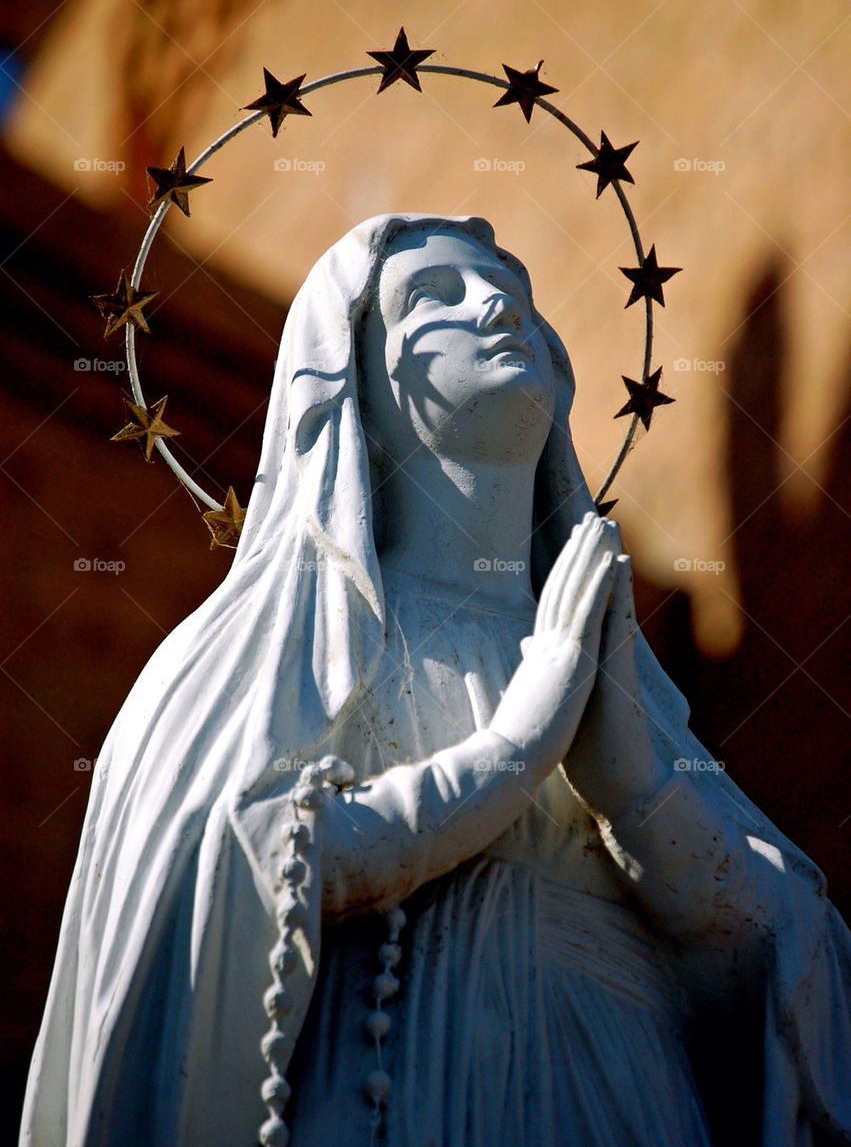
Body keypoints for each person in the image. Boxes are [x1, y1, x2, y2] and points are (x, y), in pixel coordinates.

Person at [20, 214, 851, 1147]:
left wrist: (637, 790)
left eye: (517, 298)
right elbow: (223, 866)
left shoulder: (608, 660)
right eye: (432, 298)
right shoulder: (270, 647)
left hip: (627, 1100)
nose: (498, 305)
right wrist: (510, 755)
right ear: (353, 385)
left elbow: (783, 947)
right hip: (390, 1087)